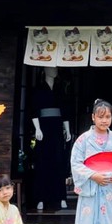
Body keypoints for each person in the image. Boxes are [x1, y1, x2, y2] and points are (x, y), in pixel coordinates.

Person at [31, 66, 71, 211]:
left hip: (57, 128)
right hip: (44, 128)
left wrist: (67, 130)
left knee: (58, 161)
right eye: (50, 69)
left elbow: (65, 111)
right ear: (44, 70)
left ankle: (61, 197)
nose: (53, 71)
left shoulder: (60, 89)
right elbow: (34, 110)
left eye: (55, 69)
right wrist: (37, 128)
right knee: (42, 162)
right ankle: (41, 198)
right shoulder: (38, 89)